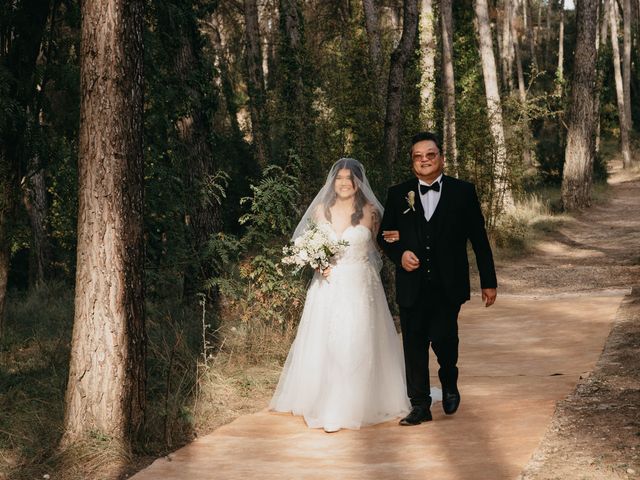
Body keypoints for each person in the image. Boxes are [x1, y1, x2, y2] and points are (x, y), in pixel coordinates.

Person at [269, 158, 412, 433]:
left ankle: (352, 404)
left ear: (359, 183)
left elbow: (384, 246)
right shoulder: (321, 210)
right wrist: (316, 261)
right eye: (340, 178)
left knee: (357, 341)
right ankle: (325, 401)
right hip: (327, 286)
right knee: (327, 342)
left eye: (350, 178)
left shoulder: (371, 212)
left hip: (361, 285)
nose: (345, 183)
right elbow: (305, 244)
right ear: (333, 182)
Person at [377, 131, 497, 426]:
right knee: (413, 345)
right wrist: (399, 255)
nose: (424, 160)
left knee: (444, 339)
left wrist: (488, 281)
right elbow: (387, 236)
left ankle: (449, 379)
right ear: (412, 162)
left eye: (430, 154)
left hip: (448, 283)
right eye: (418, 156)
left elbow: (479, 239)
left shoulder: (463, 192)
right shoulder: (398, 193)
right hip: (411, 285)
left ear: (441, 157)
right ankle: (420, 405)